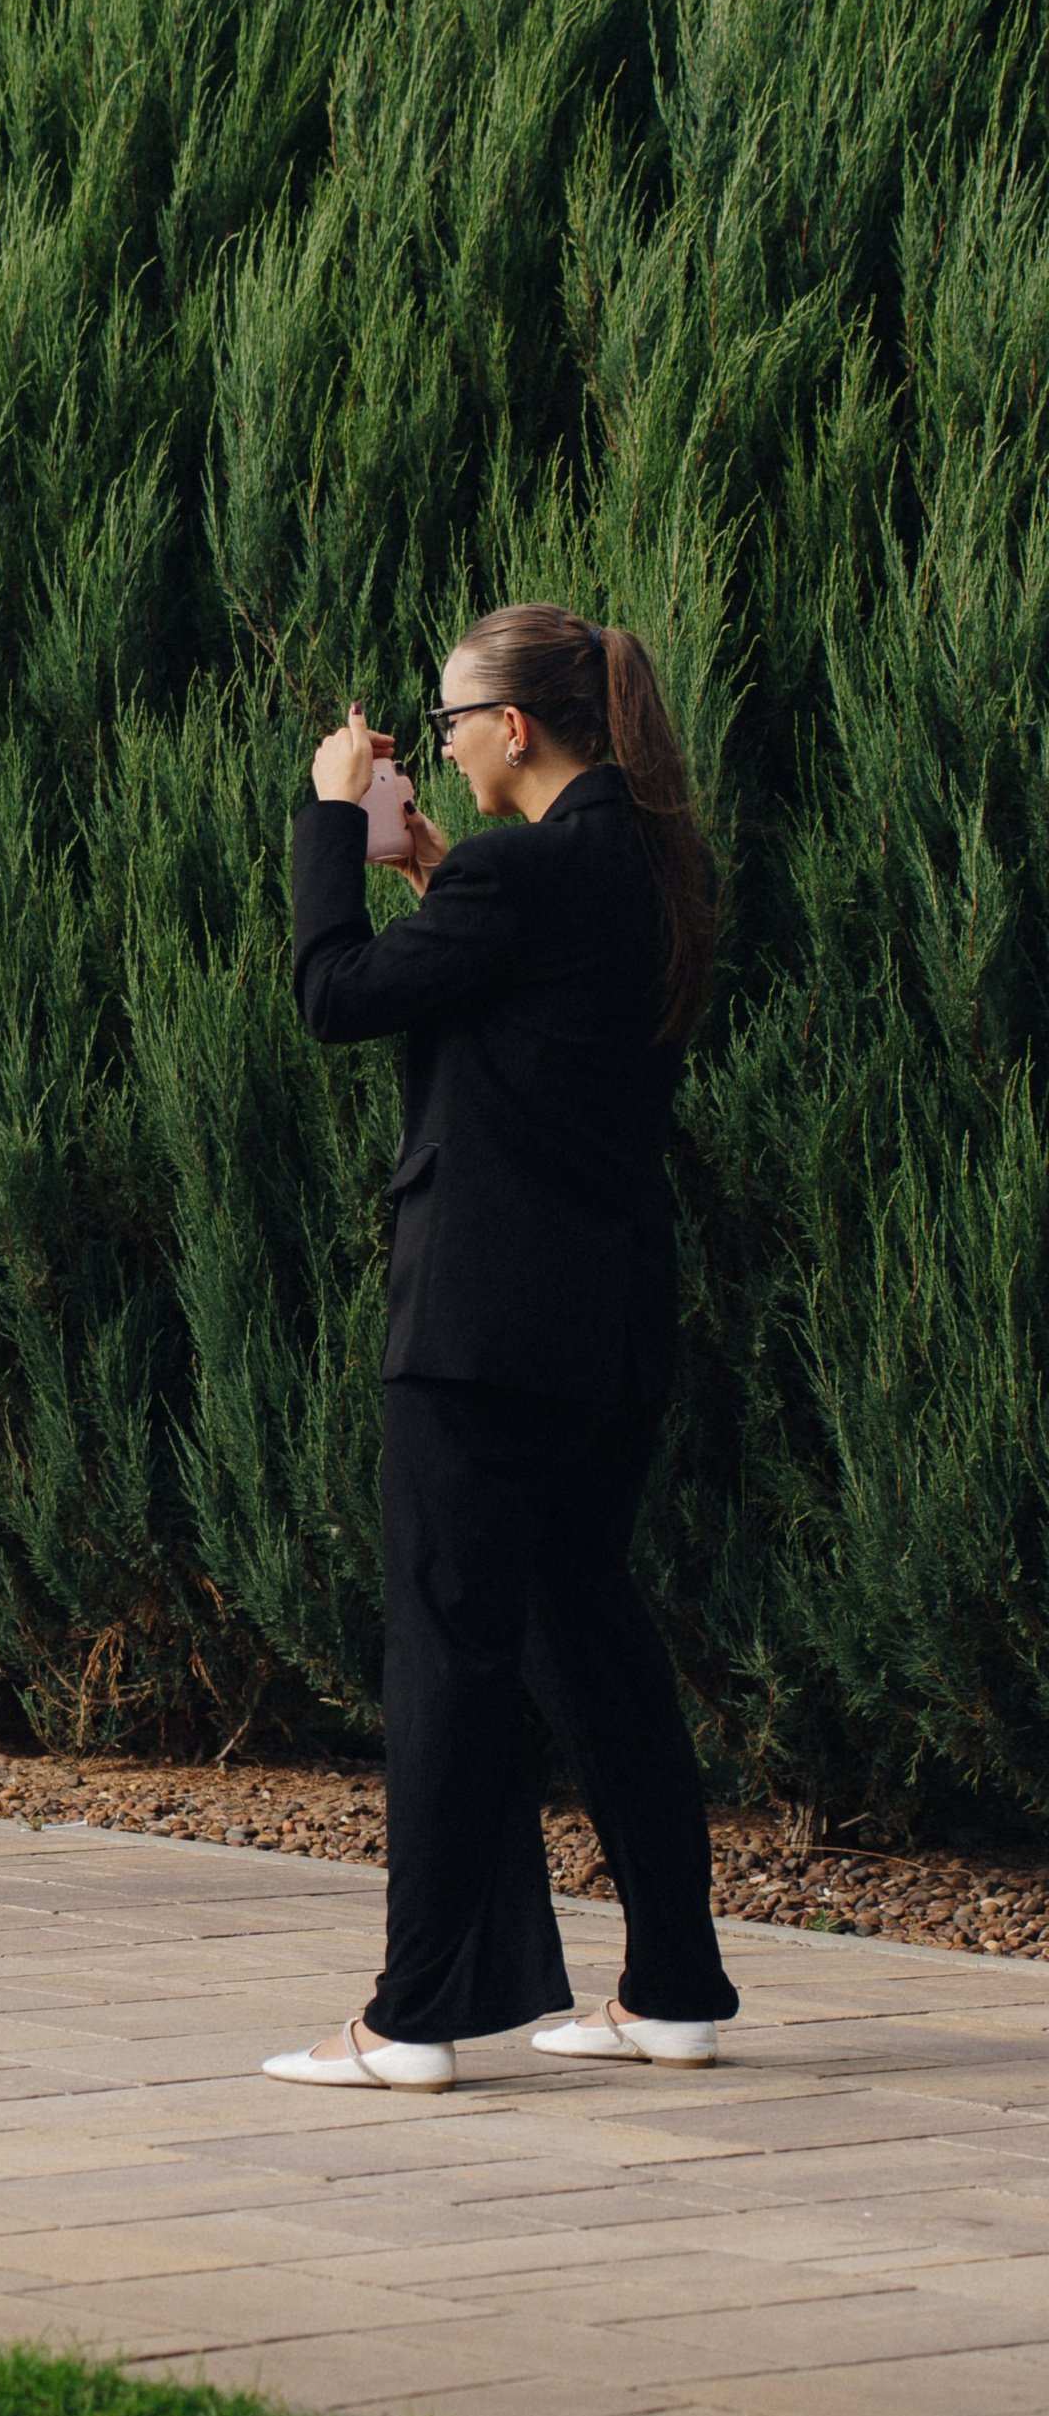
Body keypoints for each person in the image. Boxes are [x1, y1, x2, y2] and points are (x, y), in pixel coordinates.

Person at [264, 605, 738, 2092]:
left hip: (478, 1331)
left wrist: (332, 819)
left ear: (515, 729)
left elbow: (334, 995)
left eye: (452, 718)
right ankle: (673, 1987)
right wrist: (426, 866)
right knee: (591, 1641)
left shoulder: (534, 871)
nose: (441, 739)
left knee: (450, 1661)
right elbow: (521, 986)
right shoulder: (645, 865)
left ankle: (412, 2020)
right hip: (605, 1327)